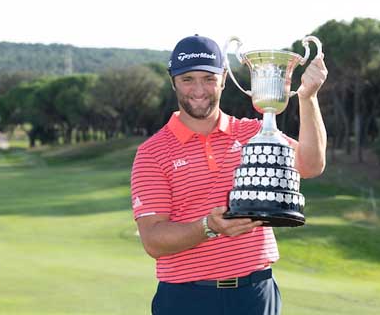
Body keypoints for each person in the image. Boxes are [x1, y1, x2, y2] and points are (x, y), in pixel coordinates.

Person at [130, 34, 327, 315]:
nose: (199, 89)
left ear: (223, 78)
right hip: (186, 298)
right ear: (173, 80)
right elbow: (153, 240)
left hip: (256, 295)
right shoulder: (152, 153)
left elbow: (311, 164)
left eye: (208, 78)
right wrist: (208, 227)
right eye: (188, 79)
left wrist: (308, 98)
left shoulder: (256, 132)